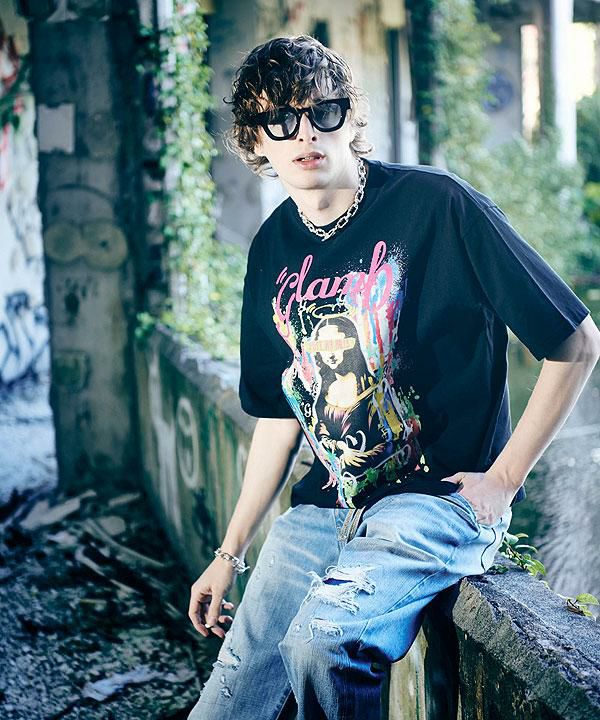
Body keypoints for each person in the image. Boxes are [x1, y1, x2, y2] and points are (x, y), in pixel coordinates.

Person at [187, 35, 600, 720]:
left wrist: (504, 480)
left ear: (350, 117)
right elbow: (279, 417)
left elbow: (577, 342)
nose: (304, 133)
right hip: (323, 510)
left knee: (324, 642)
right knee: (227, 706)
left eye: (322, 112)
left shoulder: (438, 204)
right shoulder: (272, 248)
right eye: (279, 119)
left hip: (433, 503)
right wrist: (228, 554)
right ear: (255, 141)